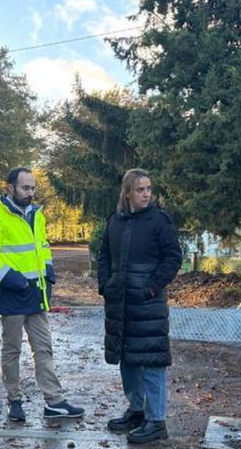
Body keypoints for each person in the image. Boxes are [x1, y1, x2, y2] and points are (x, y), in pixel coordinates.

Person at [0, 166, 85, 422]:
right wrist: (10, 277)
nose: (31, 193)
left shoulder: (37, 214)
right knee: (11, 351)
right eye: (26, 188)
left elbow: (42, 245)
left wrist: (47, 268)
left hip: (36, 294)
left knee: (44, 348)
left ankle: (54, 401)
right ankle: (15, 401)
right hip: (12, 293)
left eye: (33, 188)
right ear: (10, 188)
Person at [97, 168, 183, 444]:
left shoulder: (159, 221)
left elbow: (173, 257)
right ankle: (136, 411)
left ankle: (156, 421)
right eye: (140, 189)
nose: (146, 194)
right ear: (128, 193)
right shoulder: (115, 221)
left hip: (148, 305)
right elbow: (104, 256)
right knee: (128, 361)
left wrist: (152, 286)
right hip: (119, 304)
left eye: (148, 189)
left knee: (152, 362)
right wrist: (105, 285)